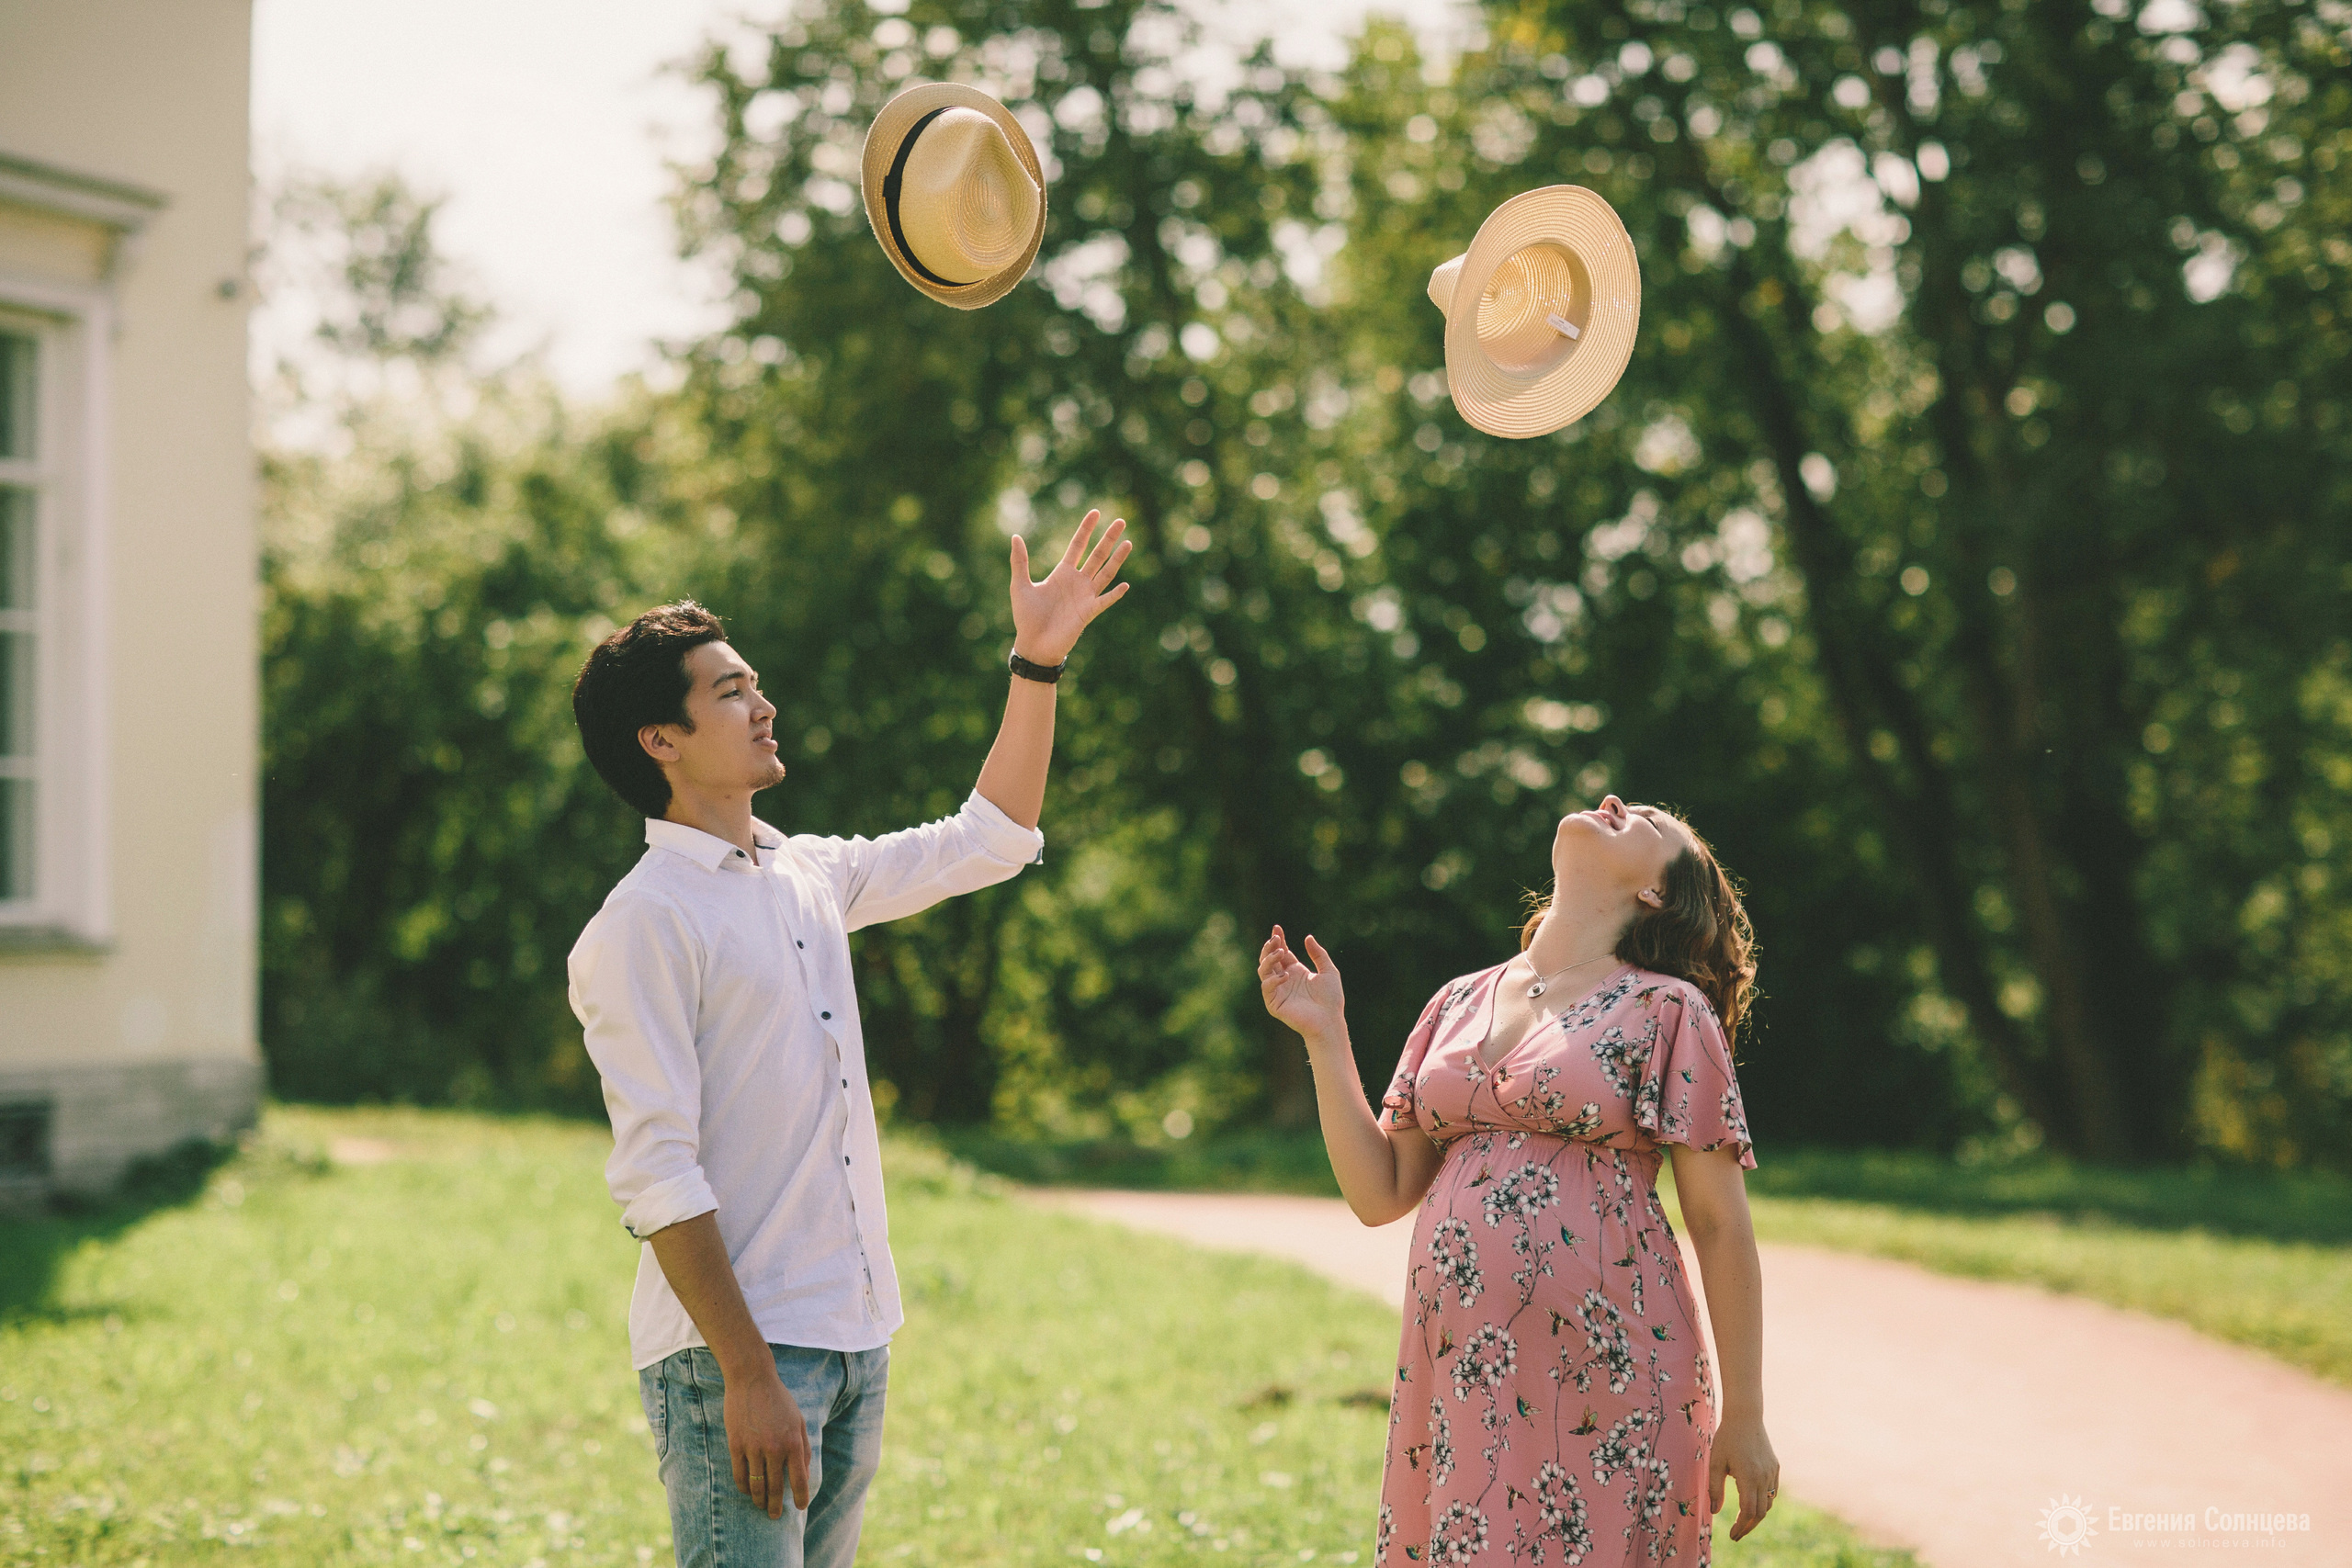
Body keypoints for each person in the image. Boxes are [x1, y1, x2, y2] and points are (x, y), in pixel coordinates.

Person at [566, 513, 1132, 1568]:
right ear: (660, 740)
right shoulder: (644, 923)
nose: (764, 705)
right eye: (730, 691)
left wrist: (1037, 664)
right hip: (738, 1357)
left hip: (854, 1334)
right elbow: (656, 1174)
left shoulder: (808, 875)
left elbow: (989, 840)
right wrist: (746, 1373)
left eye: (754, 683)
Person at [1258, 795, 1780, 1564]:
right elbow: (1381, 1191)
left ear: (1657, 892)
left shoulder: (1670, 1009)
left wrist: (1746, 1413)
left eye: (1645, 820)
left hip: (1614, 1379)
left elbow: (1719, 1222)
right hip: (1465, 1379)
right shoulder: (1456, 999)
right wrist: (1326, 1034)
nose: (1613, 802)